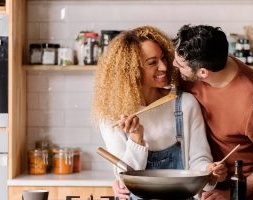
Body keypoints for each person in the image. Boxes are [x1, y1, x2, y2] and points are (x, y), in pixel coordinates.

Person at [92, 26, 227, 200]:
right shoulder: (112, 115)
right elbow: (125, 179)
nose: (164, 66)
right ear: (130, 71)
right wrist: (136, 139)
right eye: (152, 62)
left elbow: (199, 160)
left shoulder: (184, 104)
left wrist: (209, 172)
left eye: (163, 58)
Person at [172, 25, 253, 200]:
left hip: (234, 192)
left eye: (179, 65)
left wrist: (232, 194)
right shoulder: (202, 64)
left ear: (203, 73)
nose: (173, 65)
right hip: (198, 184)